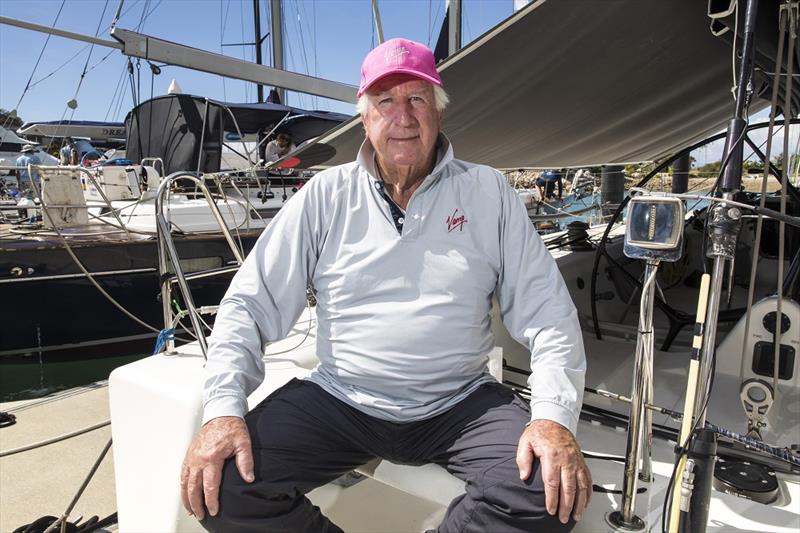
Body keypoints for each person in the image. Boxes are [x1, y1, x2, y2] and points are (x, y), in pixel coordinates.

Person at [182, 38, 591, 533]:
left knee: (546, 495)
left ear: (438, 112)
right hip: (342, 399)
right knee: (224, 489)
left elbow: (547, 315)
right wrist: (223, 411)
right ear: (365, 117)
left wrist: (552, 417)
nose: (403, 116)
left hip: (459, 401)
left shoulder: (489, 192)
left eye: (417, 98)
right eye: (385, 101)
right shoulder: (325, 196)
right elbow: (249, 306)